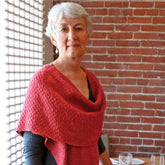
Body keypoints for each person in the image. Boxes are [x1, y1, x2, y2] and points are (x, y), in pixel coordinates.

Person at [16, 2, 113, 165]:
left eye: (78, 28)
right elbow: (32, 145)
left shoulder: (92, 82)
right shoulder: (43, 80)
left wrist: (107, 162)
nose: (72, 36)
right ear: (53, 38)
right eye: (63, 29)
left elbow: (90, 133)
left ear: (87, 36)